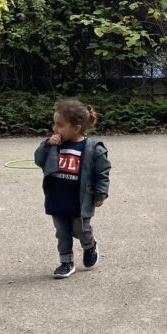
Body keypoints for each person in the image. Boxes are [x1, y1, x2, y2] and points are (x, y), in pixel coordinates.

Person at [34, 99, 112, 279]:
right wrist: (47, 145)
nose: (55, 129)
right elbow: (39, 160)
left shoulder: (93, 149)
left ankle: (90, 245)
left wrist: (100, 193)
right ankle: (66, 262)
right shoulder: (54, 144)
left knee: (80, 230)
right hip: (58, 198)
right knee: (62, 233)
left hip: (80, 200)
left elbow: (102, 173)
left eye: (60, 125)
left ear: (76, 128)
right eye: (54, 123)